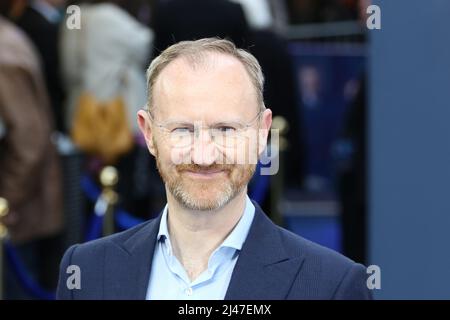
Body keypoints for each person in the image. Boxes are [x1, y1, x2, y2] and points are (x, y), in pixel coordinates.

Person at [56, 38, 371, 300]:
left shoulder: (332, 287)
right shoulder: (86, 272)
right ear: (149, 134)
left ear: (263, 132)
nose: (204, 155)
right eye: (182, 130)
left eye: (225, 129)